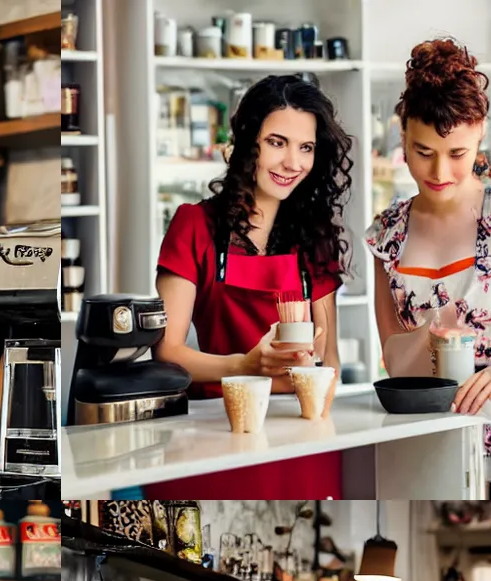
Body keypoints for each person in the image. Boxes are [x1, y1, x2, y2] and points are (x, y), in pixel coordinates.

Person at [367, 39, 491, 500]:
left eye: (456, 153)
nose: (439, 171)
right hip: (426, 448)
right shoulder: (387, 232)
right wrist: (433, 328)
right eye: (423, 151)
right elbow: (395, 360)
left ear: (479, 134)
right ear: (403, 138)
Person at [149, 73, 349, 499]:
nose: (292, 162)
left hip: (300, 436)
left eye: (306, 147)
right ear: (246, 142)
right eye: (277, 142)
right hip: (214, 428)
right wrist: (243, 367)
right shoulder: (194, 226)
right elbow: (166, 351)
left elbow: (328, 362)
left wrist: (311, 392)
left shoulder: (316, 239)